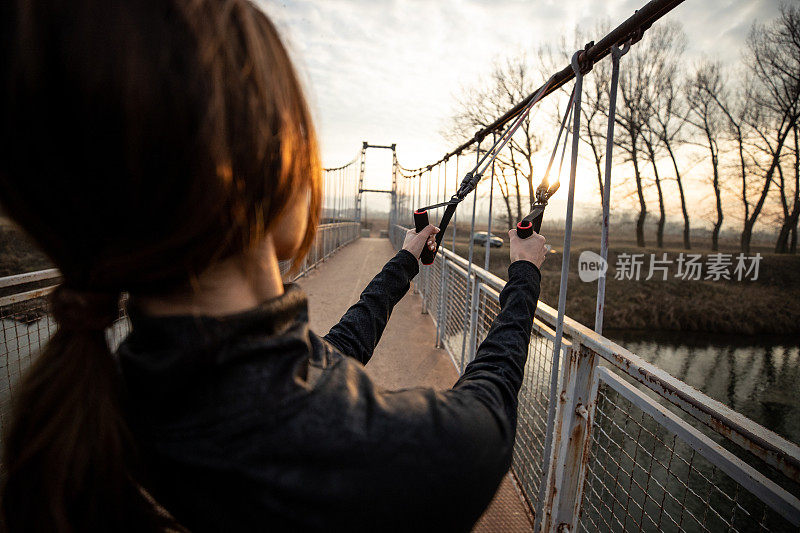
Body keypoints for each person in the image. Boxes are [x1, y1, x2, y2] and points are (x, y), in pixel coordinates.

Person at [0, 0, 548, 531]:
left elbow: (328, 359)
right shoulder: (383, 458)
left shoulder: (102, 402)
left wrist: (404, 260)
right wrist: (523, 271)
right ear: (259, 164)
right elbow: (490, 411)